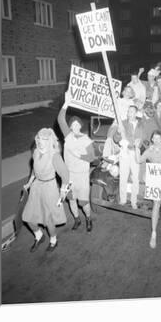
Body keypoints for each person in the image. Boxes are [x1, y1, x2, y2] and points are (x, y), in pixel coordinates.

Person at [22, 128, 69, 252]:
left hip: (49, 188)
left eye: (45, 139)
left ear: (50, 141)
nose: (40, 142)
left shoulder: (55, 156)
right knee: (27, 216)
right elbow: (34, 169)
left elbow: (65, 175)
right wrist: (29, 183)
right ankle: (39, 236)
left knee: (48, 219)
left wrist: (63, 191)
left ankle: (53, 240)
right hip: (37, 186)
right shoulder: (36, 152)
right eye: (39, 138)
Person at [58, 92, 96, 232]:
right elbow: (60, 119)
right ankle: (77, 219)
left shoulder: (86, 139)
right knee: (71, 199)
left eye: (77, 124)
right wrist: (66, 102)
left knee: (83, 202)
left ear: (80, 126)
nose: (74, 126)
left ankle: (88, 218)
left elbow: (92, 157)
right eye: (72, 124)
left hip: (81, 175)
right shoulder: (67, 136)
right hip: (69, 175)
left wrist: (78, 154)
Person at [135, 130, 161, 249]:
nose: (157, 140)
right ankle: (153, 233)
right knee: (156, 204)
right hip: (155, 179)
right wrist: (137, 148)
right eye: (154, 138)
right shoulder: (149, 150)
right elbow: (139, 160)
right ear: (152, 139)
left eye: (159, 138)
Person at [112, 105, 144, 209]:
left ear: (136, 113)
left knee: (135, 178)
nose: (130, 113)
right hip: (124, 151)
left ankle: (134, 201)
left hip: (135, 152)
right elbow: (116, 139)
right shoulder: (123, 123)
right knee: (123, 176)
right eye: (129, 111)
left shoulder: (141, 124)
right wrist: (118, 132)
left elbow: (145, 138)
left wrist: (140, 142)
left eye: (132, 111)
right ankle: (123, 200)